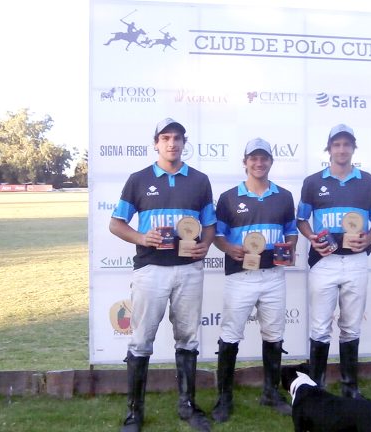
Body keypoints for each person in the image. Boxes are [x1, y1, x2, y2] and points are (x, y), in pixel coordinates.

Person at [109, 118, 216, 432]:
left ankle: (187, 405)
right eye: (166, 138)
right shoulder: (138, 179)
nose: (172, 143)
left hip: (189, 270)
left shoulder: (199, 180)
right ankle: (134, 413)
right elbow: (116, 224)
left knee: (188, 339)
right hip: (151, 269)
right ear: (156, 143)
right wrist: (142, 238)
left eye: (178, 138)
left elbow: (209, 225)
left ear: (185, 143)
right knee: (141, 340)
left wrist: (205, 246)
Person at [211, 138, 298, 422]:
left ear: (271, 162)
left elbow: (291, 230)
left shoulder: (284, 196)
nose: (259, 163)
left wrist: (291, 246)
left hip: (273, 274)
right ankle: (224, 398)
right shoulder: (228, 197)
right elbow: (218, 235)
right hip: (241, 275)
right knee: (230, 335)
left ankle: (271, 393)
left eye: (264, 159)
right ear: (245, 161)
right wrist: (228, 248)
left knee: (274, 335)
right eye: (253, 158)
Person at [296, 124, 371, 398]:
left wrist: (368, 238)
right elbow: (301, 220)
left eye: (347, 145)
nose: (342, 149)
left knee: (351, 326)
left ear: (353, 148)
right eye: (337, 144)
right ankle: (317, 387)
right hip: (324, 262)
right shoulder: (313, 182)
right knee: (320, 326)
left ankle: (350, 387)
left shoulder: (368, 181)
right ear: (329, 148)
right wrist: (312, 237)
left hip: (356, 261)